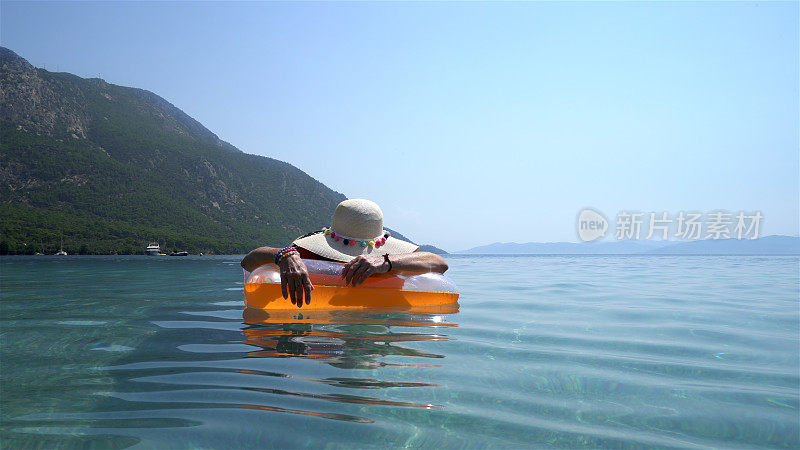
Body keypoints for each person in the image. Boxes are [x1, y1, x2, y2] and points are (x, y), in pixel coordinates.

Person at [241, 199, 448, 307]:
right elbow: (249, 261)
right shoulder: (307, 255)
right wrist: (284, 254)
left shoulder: (390, 261)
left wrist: (385, 261)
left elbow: (439, 263)